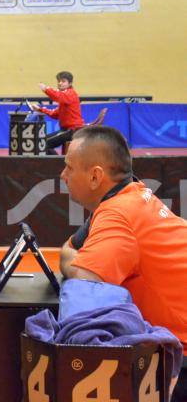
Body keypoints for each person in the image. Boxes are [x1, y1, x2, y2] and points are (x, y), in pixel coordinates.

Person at [59, 126, 187, 401]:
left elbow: (83, 280)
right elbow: (72, 248)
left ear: (95, 176)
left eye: (69, 167)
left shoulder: (118, 214)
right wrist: (73, 254)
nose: (63, 175)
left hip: (180, 355)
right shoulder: (134, 194)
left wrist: (72, 259)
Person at [27, 71, 83, 154]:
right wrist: (40, 109)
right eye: (59, 81)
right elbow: (55, 114)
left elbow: (57, 96)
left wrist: (46, 89)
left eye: (63, 81)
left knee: (42, 143)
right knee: (41, 141)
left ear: (70, 83)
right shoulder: (65, 97)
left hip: (72, 131)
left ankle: (57, 161)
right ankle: (57, 160)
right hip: (67, 130)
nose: (60, 83)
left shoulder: (70, 93)